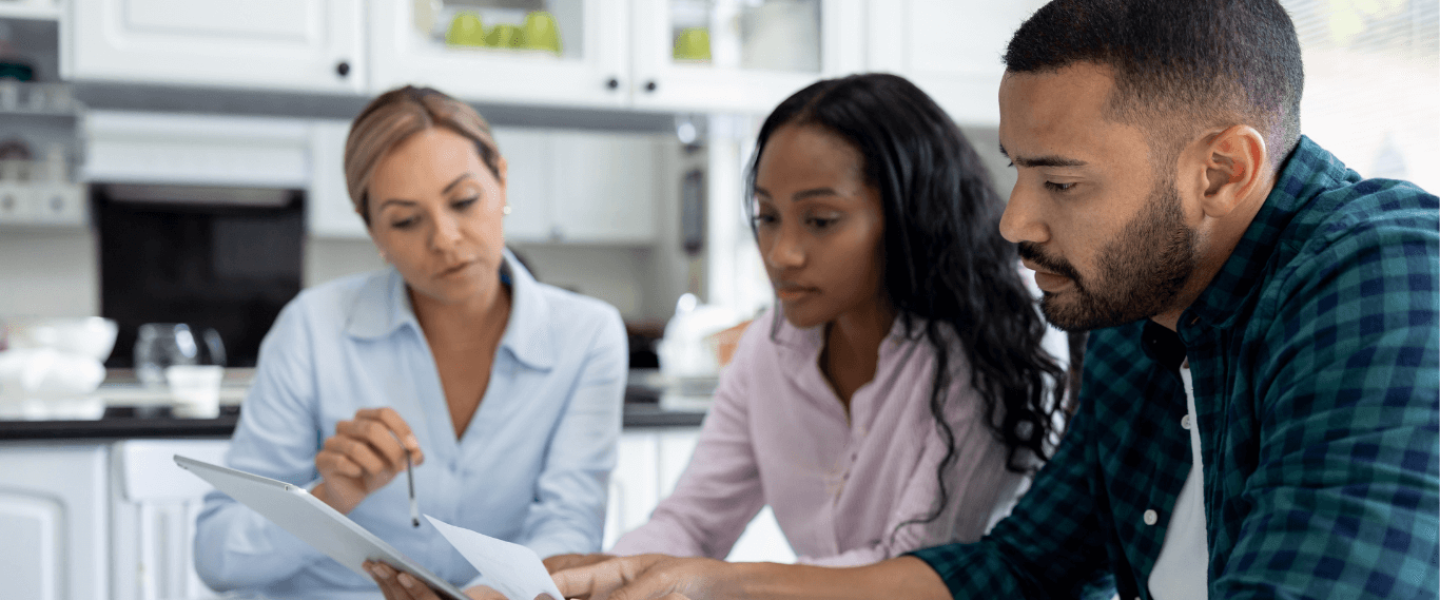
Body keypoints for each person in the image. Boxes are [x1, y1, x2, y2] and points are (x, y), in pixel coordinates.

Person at [537, 1, 1440, 599]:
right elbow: (1022, 570)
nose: (1013, 222)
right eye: (1017, 170)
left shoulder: (1386, 272)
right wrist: (700, 582)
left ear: (1222, 170)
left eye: (1061, 182)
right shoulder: (1137, 310)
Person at [369, 72, 1070, 600]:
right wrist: (579, 580)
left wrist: (695, 582)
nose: (782, 253)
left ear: (913, 217)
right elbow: (692, 523)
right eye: (767, 217)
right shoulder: (768, 350)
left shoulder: (989, 346)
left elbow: (916, 567)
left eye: (820, 221)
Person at [193, 86, 628, 600]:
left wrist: (477, 599)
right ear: (373, 230)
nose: (444, 238)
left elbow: (568, 529)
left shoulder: (588, 335)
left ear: (501, 181)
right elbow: (217, 557)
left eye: (464, 201)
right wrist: (328, 499)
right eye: (405, 220)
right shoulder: (312, 327)